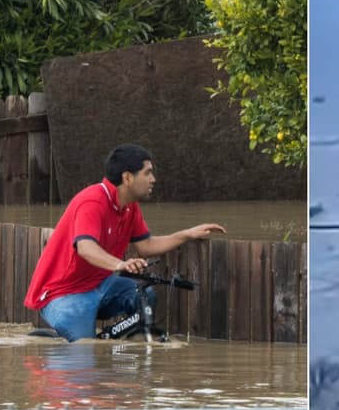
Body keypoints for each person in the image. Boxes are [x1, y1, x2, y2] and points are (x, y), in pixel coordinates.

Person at [25, 144, 226, 341]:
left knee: (145, 295)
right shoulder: (92, 201)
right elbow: (85, 248)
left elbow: (146, 246)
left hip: (99, 284)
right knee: (84, 350)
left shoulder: (130, 207)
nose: (153, 179)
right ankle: (76, 341)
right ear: (127, 177)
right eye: (147, 173)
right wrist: (120, 264)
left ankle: (122, 345)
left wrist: (187, 234)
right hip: (61, 293)